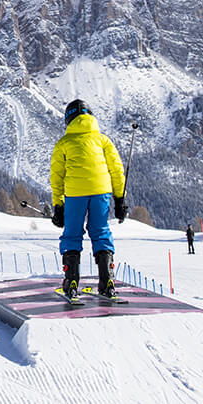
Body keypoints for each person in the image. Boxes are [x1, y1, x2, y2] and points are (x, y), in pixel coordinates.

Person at [50, 99, 127, 299]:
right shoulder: (103, 140)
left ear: (68, 120)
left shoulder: (64, 143)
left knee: (72, 234)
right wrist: (119, 200)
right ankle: (107, 281)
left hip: (75, 193)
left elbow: (56, 177)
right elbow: (117, 171)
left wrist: (58, 205)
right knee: (100, 232)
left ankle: (71, 281)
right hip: (102, 191)